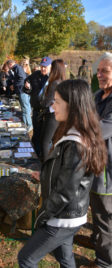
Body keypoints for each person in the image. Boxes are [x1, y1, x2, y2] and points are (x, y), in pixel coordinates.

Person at [18, 79, 107, 268]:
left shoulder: (76, 143)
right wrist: (43, 175)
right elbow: (65, 173)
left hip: (62, 217)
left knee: (26, 259)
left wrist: (43, 215)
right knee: (65, 258)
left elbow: (65, 191)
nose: (52, 105)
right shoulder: (75, 133)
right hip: (70, 216)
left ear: (72, 106)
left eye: (57, 101)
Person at [88, 52, 112, 268]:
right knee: (96, 212)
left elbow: (100, 129)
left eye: (106, 71)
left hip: (107, 171)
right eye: (99, 71)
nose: (101, 75)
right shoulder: (97, 95)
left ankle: (105, 263)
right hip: (94, 164)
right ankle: (98, 244)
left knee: (105, 217)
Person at [24, 56, 51, 156]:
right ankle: (34, 154)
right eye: (42, 66)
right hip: (36, 110)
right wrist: (27, 87)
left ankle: (42, 156)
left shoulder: (52, 77)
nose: (43, 69)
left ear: (50, 66)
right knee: (36, 134)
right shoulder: (35, 75)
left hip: (47, 112)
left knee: (44, 137)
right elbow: (26, 87)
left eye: (45, 67)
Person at [40, 59, 66, 162]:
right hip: (60, 116)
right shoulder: (63, 82)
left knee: (45, 142)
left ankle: (46, 168)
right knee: (55, 142)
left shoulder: (55, 83)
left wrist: (44, 103)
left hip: (52, 116)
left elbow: (47, 102)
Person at [6, 59, 32, 131]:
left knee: (25, 108)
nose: (8, 67)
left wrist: (14, 85)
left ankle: (29, 125)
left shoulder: (17, 68)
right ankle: (25, 124)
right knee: (24, 109)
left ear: (10, 64)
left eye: (8, 66)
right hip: (20, 91)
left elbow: (22, 78)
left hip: (22, 91)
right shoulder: (16, 69)